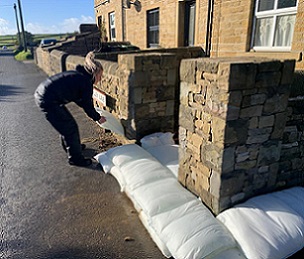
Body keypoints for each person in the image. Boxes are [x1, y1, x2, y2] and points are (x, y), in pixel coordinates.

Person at [34, 51, 106, 167]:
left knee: (66, 126)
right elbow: (87, 105)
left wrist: (95, 115)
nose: (101, 79)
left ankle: (74, 147)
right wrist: (98, 118)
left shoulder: (80, 77)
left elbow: (80, 100)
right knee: (69, 127)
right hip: (48, 100)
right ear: (94, 73)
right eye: (100, 76)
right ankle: (76, 159)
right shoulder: (86, 83)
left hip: (45, 94)